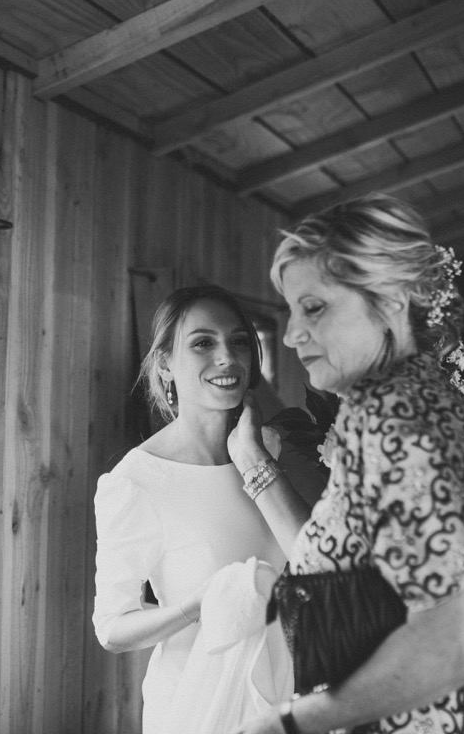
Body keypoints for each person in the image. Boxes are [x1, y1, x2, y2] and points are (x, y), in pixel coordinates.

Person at [227, 194, 464, 734]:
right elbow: (349, 568)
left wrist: (287, 723)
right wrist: (253, 463)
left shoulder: (398, 419)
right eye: (290, 311)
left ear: (390, 302)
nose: (290, 334)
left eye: (315, 307)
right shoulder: (406, 401)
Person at [92, 285, 312, 734]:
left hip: (289, 692)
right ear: (165, 364)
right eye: (203, 343)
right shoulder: (137, 480)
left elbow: (318, 561)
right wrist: (197, 606)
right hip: (198, 706)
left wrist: (253, 456)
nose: (226, 357)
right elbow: (111, 628)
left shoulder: (268, 449)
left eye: (239, 341)